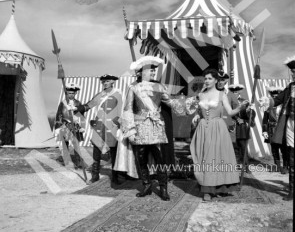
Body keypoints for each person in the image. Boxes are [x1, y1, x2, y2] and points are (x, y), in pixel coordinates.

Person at [121, 56, 185, 201]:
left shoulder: (159, 87)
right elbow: (127, 109)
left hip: (156, 126)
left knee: (160, 159)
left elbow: (169, 101)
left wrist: (186, 105)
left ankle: (163, 188)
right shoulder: (133, 88)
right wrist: (130, 129)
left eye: (153, 71)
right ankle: (147, 185)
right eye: (150, 71)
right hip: (140, 127)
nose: (153, 73)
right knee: (141, 159)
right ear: (141, 72)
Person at [190, 68, 248, 201]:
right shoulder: (201, 95)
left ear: (216, 80)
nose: (207, 81)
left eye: (210, 78)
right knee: (203, 157)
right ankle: (206, 186)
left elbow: (230, 112)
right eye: (205, 78)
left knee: (216, 157)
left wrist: (241, 107)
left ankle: (215, 188)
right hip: (203, 128)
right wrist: (196, 116)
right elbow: (199, 110)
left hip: (217, 127)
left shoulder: (222, 95)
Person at [77, 74, 122, 185]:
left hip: (112, 126)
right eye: (103, 82)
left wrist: (119, 124)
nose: (104, 83)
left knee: (114, 152)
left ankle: (116, 176)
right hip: (99, 126)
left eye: (106, 81)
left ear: (112, 82)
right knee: (96, 152)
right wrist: (76, 108)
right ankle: (95, 175)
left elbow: (121, 110)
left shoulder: (118, 94)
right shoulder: (100, 95)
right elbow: (88, 105)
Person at [261, 56, 294, 201]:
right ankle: (291, 191)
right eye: (292, 71)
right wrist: (267, 101)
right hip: (290, 125)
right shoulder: (290, 87)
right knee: (291, 158)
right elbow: (277, 100)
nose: (293, 73)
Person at [55, 83, 85, 168]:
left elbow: (82, 116)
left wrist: (82, 127)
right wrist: (58, 127)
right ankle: (67, 161)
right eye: (69, 93)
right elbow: (59, 115)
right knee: (65, 144)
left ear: (75, 93)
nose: (71, 95)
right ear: (66, 93)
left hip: (75, 126)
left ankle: (78, 163)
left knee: (76, 145)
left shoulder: (78, 103)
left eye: (72, 93)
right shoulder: (62, 103)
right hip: (64, 125)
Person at [262, 86, 288, 174]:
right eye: (273, 95)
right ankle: (277, 166)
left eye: (276, 96)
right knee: (274, 149)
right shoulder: (268, 107)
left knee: (284, 149)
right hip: (271, 130)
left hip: (282, 130)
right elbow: (265, 121)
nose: (274, 97)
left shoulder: (285, 107)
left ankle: (285, 166)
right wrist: (264, 131)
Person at [216, 72, 239, 143]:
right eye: (218, 80)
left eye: (222, 80)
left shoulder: (230, 95)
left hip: (227, 126)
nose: (220, 82)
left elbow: (237, 110)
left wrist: (246, 109)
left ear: (225, 82)